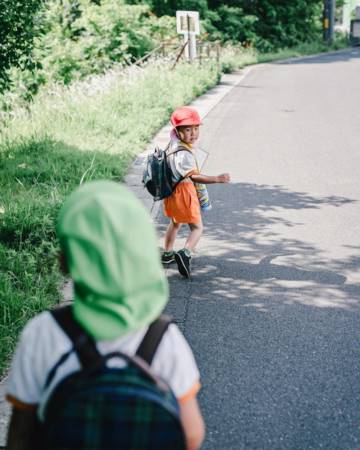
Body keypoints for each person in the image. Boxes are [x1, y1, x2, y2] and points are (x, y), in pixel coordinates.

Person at [6, 180, 205, 450]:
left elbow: (21, 433)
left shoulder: (42, 333)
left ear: (65, 261)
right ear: (143, 255)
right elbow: (192, 435)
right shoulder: (163, 338)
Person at [162, 106, 230, 278]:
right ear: (177, 131)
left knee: (175, 222)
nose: (193, 133)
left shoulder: (173, 143)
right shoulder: (184, 154)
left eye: (196, 128)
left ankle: (168, 253)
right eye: (188, 129)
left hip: (171, 191)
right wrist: (217, 178)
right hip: (184, 192)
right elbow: (194, 177)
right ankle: (185, 253)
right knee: (197, 228)